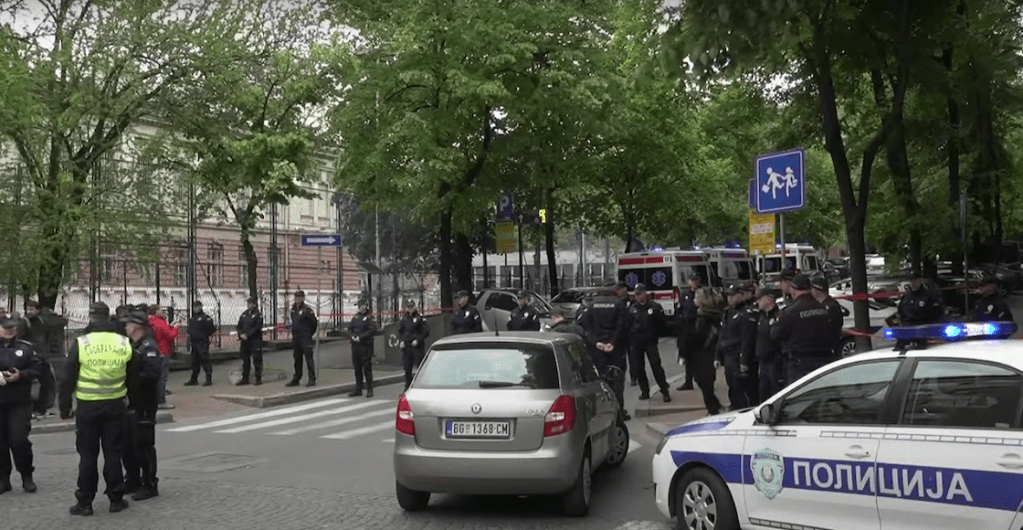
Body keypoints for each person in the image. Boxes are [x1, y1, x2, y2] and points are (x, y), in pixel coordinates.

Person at [60, 302, 140, 516]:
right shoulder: (124, 342)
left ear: (91, 317)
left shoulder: (82, 342)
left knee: (87, 455)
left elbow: (67, 377)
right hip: (115, 405)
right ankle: (116, 498)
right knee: (113, 453)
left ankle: (85, 502)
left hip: (87, 406)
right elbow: (133, 378)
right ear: (109, 316)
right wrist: (133, 403)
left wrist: (64, 406)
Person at [121, 311, 162, 501]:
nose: (125, 328)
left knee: (143, 445)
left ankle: (149, 484)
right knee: (128, 445)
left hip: (144, 403)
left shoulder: (148, 347)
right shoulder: (132, 345)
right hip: (132, 403)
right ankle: (132, 480)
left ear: (136, 328)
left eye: (128, 325)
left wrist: (132, 379)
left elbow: (152, 375)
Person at [0, 313, 42, 494]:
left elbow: (39, 368)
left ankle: (26, 475)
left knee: (19, 440)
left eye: (12, 327)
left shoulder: (26, 348)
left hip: (19, 401)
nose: (9, 330)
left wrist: (21, 375)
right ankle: (3, 479)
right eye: (5, 327)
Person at [771, 274, 836, 384]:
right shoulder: (825, 309)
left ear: (794, 290)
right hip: (824, 360)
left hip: (800, 363)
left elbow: (775, 334)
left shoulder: (790, 312)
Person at [579, 282, 630, 420]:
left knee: (599, 380)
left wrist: (597, 343)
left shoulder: (591, 305)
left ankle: (599, 411)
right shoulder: (619, 304)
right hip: (616, 349)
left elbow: (585, 327)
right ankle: (619, 411)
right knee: (617, 379)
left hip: (597, 349)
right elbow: (623, 326)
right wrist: (612, 342)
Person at [715, 286, 758, 410]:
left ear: (740, 295)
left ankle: (745, 408)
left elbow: (747, 340)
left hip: (738, 355)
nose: (730, 299)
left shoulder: (746, 314)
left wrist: (744, 360)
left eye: (732, 296)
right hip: (729, 357)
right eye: (728, 296)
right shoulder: (727, 313)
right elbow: (722, 336)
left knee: (744, 388)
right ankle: (735, 406)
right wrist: (717, 356)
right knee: (732, 385)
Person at [627, 284, 672, 403]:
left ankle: (664, 391)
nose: (638, 296)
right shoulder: (632, 308)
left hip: (650, 341)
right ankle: (645, 391)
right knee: (639, 368)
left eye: (640, 293)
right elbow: (628, 325)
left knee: (656, 365)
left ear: (645, 293)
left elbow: (662, 324)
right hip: (637, 342)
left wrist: (657, 334)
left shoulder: (654, 307)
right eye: (636, 294)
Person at [687, 288, 725, 415]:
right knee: (702, 381)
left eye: (697, 297)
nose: (694, 300)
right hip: (702, 353)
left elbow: (702, 335)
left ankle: (713, 409)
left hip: (704, 353)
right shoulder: (702, 313)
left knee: (704, 382)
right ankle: (714, 405)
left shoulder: (705, 316)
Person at [746, 289, 783, 401]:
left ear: (768, 299)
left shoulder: (778, 316)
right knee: (763, 393)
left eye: (759, 299)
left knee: (775, 393)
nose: (757, 302)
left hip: (775, 362)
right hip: (763, 363)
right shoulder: (761, 316)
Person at [24, 300, 58, 419]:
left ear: (38, 310)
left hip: (42, 356)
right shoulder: (24, 322)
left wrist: (46, 351)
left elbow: (45, 338)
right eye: (28, 309)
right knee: (27, 385)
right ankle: (29, 410)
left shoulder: (41, 321)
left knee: (47, 383)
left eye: (32, 309)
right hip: (30, 358)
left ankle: (41, 409)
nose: (29, 311)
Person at [895, 273, 946, 350]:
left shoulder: (928, 295)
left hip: (922, 328)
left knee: (921, 348)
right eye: (911, 281)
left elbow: (936, 312)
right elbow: (901, 311)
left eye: (915, 280)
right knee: (899, 348)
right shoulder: (907, 296)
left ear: (920, 280)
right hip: (907, 328)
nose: (913, 283)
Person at [146, 305, 177, 409]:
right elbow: (170, 335)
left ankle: (153, 399)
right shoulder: (159, 322)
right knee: (162, 377)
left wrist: (169, 326)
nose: (163, 312)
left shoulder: (149, 322)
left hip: (153, 351)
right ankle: (161, 400)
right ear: (156, 311)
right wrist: (175, 328)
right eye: (161, 310)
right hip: (163, 351)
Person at [286, 291, 318, 387]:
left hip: (305, 337)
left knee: (308, 358)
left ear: (303, 298)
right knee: (297, 359)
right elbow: (293, 322)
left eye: (299, 297)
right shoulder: (293, 309)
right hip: (296, 337)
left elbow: (314, 324)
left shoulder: (307, 310)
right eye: (296, 297)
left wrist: (308, 334)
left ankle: (312, 378)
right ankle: (297, 378)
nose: (297, 299)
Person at [675, 273, 701, 391]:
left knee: (702, 357)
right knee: (688, 357)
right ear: (689, 282)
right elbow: (679, 310)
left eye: (696, 280)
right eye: (692, 280)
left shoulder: (703, 293)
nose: (694, 282)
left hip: (700, 328)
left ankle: (705, 381)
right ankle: (688, 382)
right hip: (687, 329)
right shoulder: (685, 295)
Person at [183, 300, 217, 387]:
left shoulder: (206, 318)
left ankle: (208, 378)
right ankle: (194, 379)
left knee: (205, 360)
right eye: (194, 307)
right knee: (194, 361)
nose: (195, 309)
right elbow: (190, 329)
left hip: (202, 342)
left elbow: (211, 329)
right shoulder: (192, 319)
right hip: (194, 342)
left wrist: (203, 335)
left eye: (196, 307)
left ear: (200, 307)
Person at [398, 300, 429, 392]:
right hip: (407, 346)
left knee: (419, 367)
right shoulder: (404, 319)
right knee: (407, 368)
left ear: (415, 307)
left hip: (416, 346)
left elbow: (425, 331)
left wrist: (417, 340)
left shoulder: (420, 318)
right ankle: (407, 386)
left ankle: (420, 385)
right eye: (408, 307)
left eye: (411, 307)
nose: (410, 309)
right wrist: (401, 341)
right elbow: (400, 331)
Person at [347, 301, 376, 398]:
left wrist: (361, 337)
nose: (359, 308)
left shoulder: (369, 318)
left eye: (361, 306)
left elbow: (371, 330)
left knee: (367, 369)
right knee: (357, 368)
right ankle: (358, 389)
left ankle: (369, 389)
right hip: (355, 346)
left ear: (365, 306)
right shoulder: (355, 317)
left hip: (365, 346)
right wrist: (352, 336)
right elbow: (350, 328)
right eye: (358, 306)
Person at [811, 276, 845, 357]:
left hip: (828, 349)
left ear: (817, 290)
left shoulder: (831, 306)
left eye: (811, 289)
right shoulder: (822, 305)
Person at [236, 297, 263, 386]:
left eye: (250, 303)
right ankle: (245, 378)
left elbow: (257, 327)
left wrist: (247, 335)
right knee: (245, 360)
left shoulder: (258, 315)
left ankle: (258, 378)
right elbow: (239, 326)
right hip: (245, 341)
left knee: (257, 359)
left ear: (254, 305)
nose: (248, 305)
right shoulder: (244, 314)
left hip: (254, 340)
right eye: (248, 303)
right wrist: (241, 334)